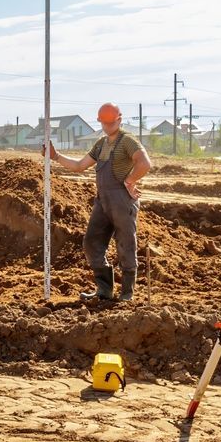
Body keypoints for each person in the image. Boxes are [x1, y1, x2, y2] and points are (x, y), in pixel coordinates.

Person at [47, 103, 150, 301]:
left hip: (122, 201)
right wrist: (56, 156)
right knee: (92, 243)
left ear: (119, 120)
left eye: (111, 123)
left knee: (125, 246)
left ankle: (127, 294)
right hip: (103, 201)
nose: (107, 126)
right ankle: (104, 290)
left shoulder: (127, 141)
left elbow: (145, 163)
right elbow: (79, 166)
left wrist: (130, 181)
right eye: (104, 123)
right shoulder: (101, 144)